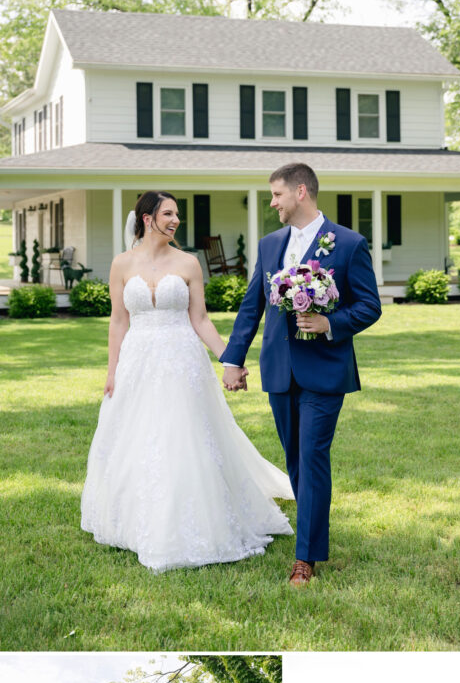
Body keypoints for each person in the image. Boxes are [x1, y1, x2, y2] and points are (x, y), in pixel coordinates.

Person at [80, 189, 293, 570]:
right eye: (168, 214)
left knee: (185, 436)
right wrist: (112, 371)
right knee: (139, 436)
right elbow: (118, 320)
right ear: (147, 218)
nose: (175, 220)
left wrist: (230, 359)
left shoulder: (189, 263)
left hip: (182, 360)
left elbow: (201, 320)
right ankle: (136, 517)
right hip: (139, 361)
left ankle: (196, 514)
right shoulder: (121, 264)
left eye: (176, 214)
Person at [221, 161, 381, 587]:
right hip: (279, 370)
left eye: (276, 194)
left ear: (301, 193)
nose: (272, 202)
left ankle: (305, 558)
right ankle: (312, 530)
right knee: (294, 458)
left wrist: (331, 324)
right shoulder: (270, 243)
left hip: (325, 370)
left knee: (311, 457)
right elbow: (252, 306)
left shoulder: (348, 244)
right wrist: (233, 359)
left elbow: (370, 305)